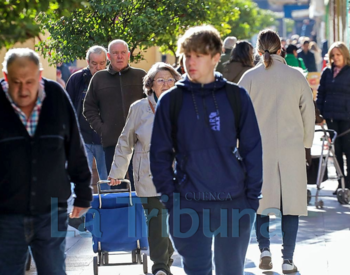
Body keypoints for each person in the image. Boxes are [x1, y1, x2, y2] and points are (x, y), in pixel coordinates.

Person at [150, 25, 263, 275]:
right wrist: (171, 201)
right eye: (187, 55)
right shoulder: (171, 101)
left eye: (198, 55)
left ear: (216, 57)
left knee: (231, 271)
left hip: (233, 204)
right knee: (196, 271)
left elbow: (253, 149)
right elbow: (159, 155)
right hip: (188, 205)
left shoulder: (236, 97)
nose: (190, 61)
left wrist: (251, 200)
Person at [0, 48, 92, 274]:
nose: (23, 90)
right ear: (5, 77)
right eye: (16, 82)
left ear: (40, 76)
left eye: (30, 82)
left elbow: (74, 147)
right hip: (7, 214)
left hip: (51, 209)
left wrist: (83, 192)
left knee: (53, 270)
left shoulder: (56, 96)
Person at [239, 29, 315, 274]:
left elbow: (236, 115)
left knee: (261, 203)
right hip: (291, 150)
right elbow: (308, 115)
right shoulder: (296, 76)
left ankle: (264, 250)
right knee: (290, 206)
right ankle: (288, 259)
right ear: (281, 48)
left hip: (257, 151)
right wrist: (307, 144)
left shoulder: (249, 78)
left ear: (258, 51)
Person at [108, 62, 181, 275]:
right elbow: (125, 142)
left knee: (172, 222)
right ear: (151, 85)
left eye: (170, 80)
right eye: (161, 80)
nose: (166, 84)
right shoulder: (139, 108)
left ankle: (165, 254)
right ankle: (160, 266)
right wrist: (117, 173)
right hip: (148, 173)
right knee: (157, 221)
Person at [83, 39, 146, 189]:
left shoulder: (141, 76)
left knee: (142, 188)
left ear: (128, 55)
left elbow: (152, 104)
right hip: (113, 144)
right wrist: (103, 129)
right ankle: (121, 214)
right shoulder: (99, 78)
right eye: (115, 53)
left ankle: (142, 214)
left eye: (123, 52)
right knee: (117, 190)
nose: (119, 56)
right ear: (109, 57)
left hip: (140, 144)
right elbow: (88, 108)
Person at [66, 45, 108, 188]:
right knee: (81, 179)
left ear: (107, 61)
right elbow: (68, 108)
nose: (98, 67)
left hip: (105, 139)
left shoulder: (112, 79)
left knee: (107, 180)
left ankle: (107, 209)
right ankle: (82, 209)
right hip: (82, 138)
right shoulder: (76, 79)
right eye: (94, 63)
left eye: (102, 63)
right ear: (87, 62)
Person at [316, 41, 350, 193]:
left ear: (345, 55)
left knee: (348, 151)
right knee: (336, 152)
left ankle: (348, 184)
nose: (335, 58)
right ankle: (340, 183)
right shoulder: (327, 72)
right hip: (330, 117)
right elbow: (321, 93)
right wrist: (319, 114)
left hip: (347, 117)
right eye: (333, 55)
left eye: (338, 55)